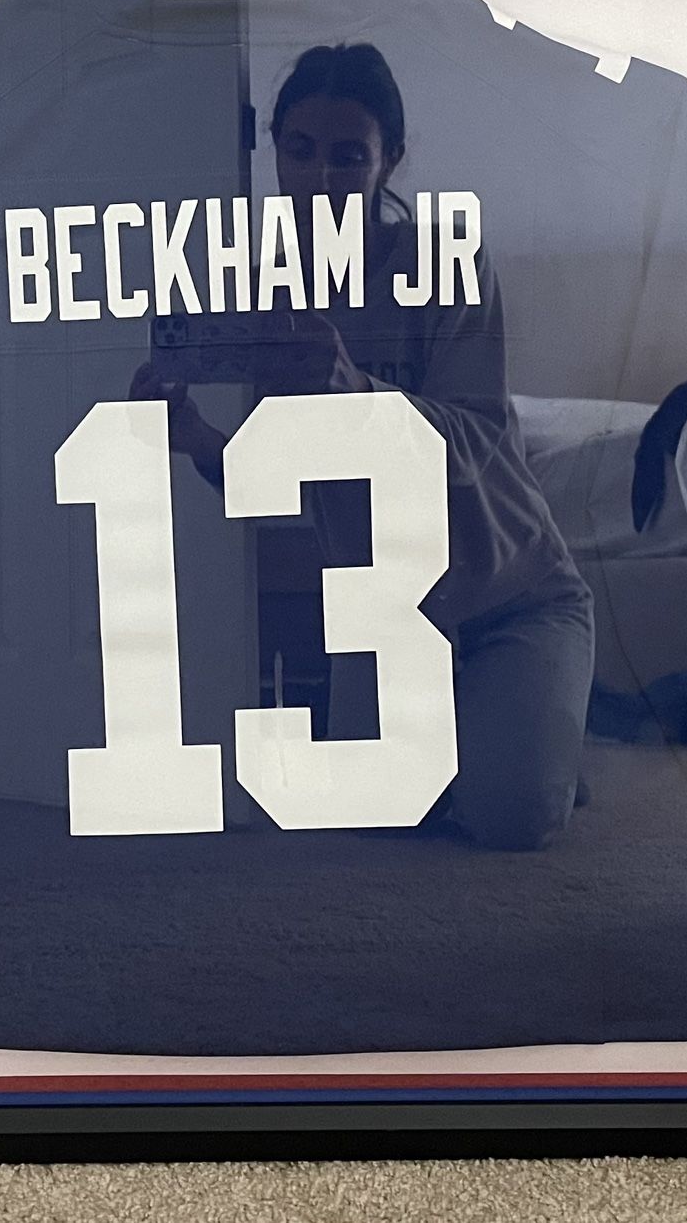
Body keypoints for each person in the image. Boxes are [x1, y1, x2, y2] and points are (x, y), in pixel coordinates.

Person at [131, 43, 595, 849]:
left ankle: (535, 731)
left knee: (510, 817)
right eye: (300, 150)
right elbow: (287, 475)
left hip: (513, 588)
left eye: (348, 157)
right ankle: (505, 729)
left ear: (390, 162)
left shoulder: (446, 261)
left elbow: (478, 439)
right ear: (274, 150)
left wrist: (353, 387)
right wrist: (198, 440)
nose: (319, 177)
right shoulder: (268, 287)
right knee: (379, 814)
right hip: (388, 610)